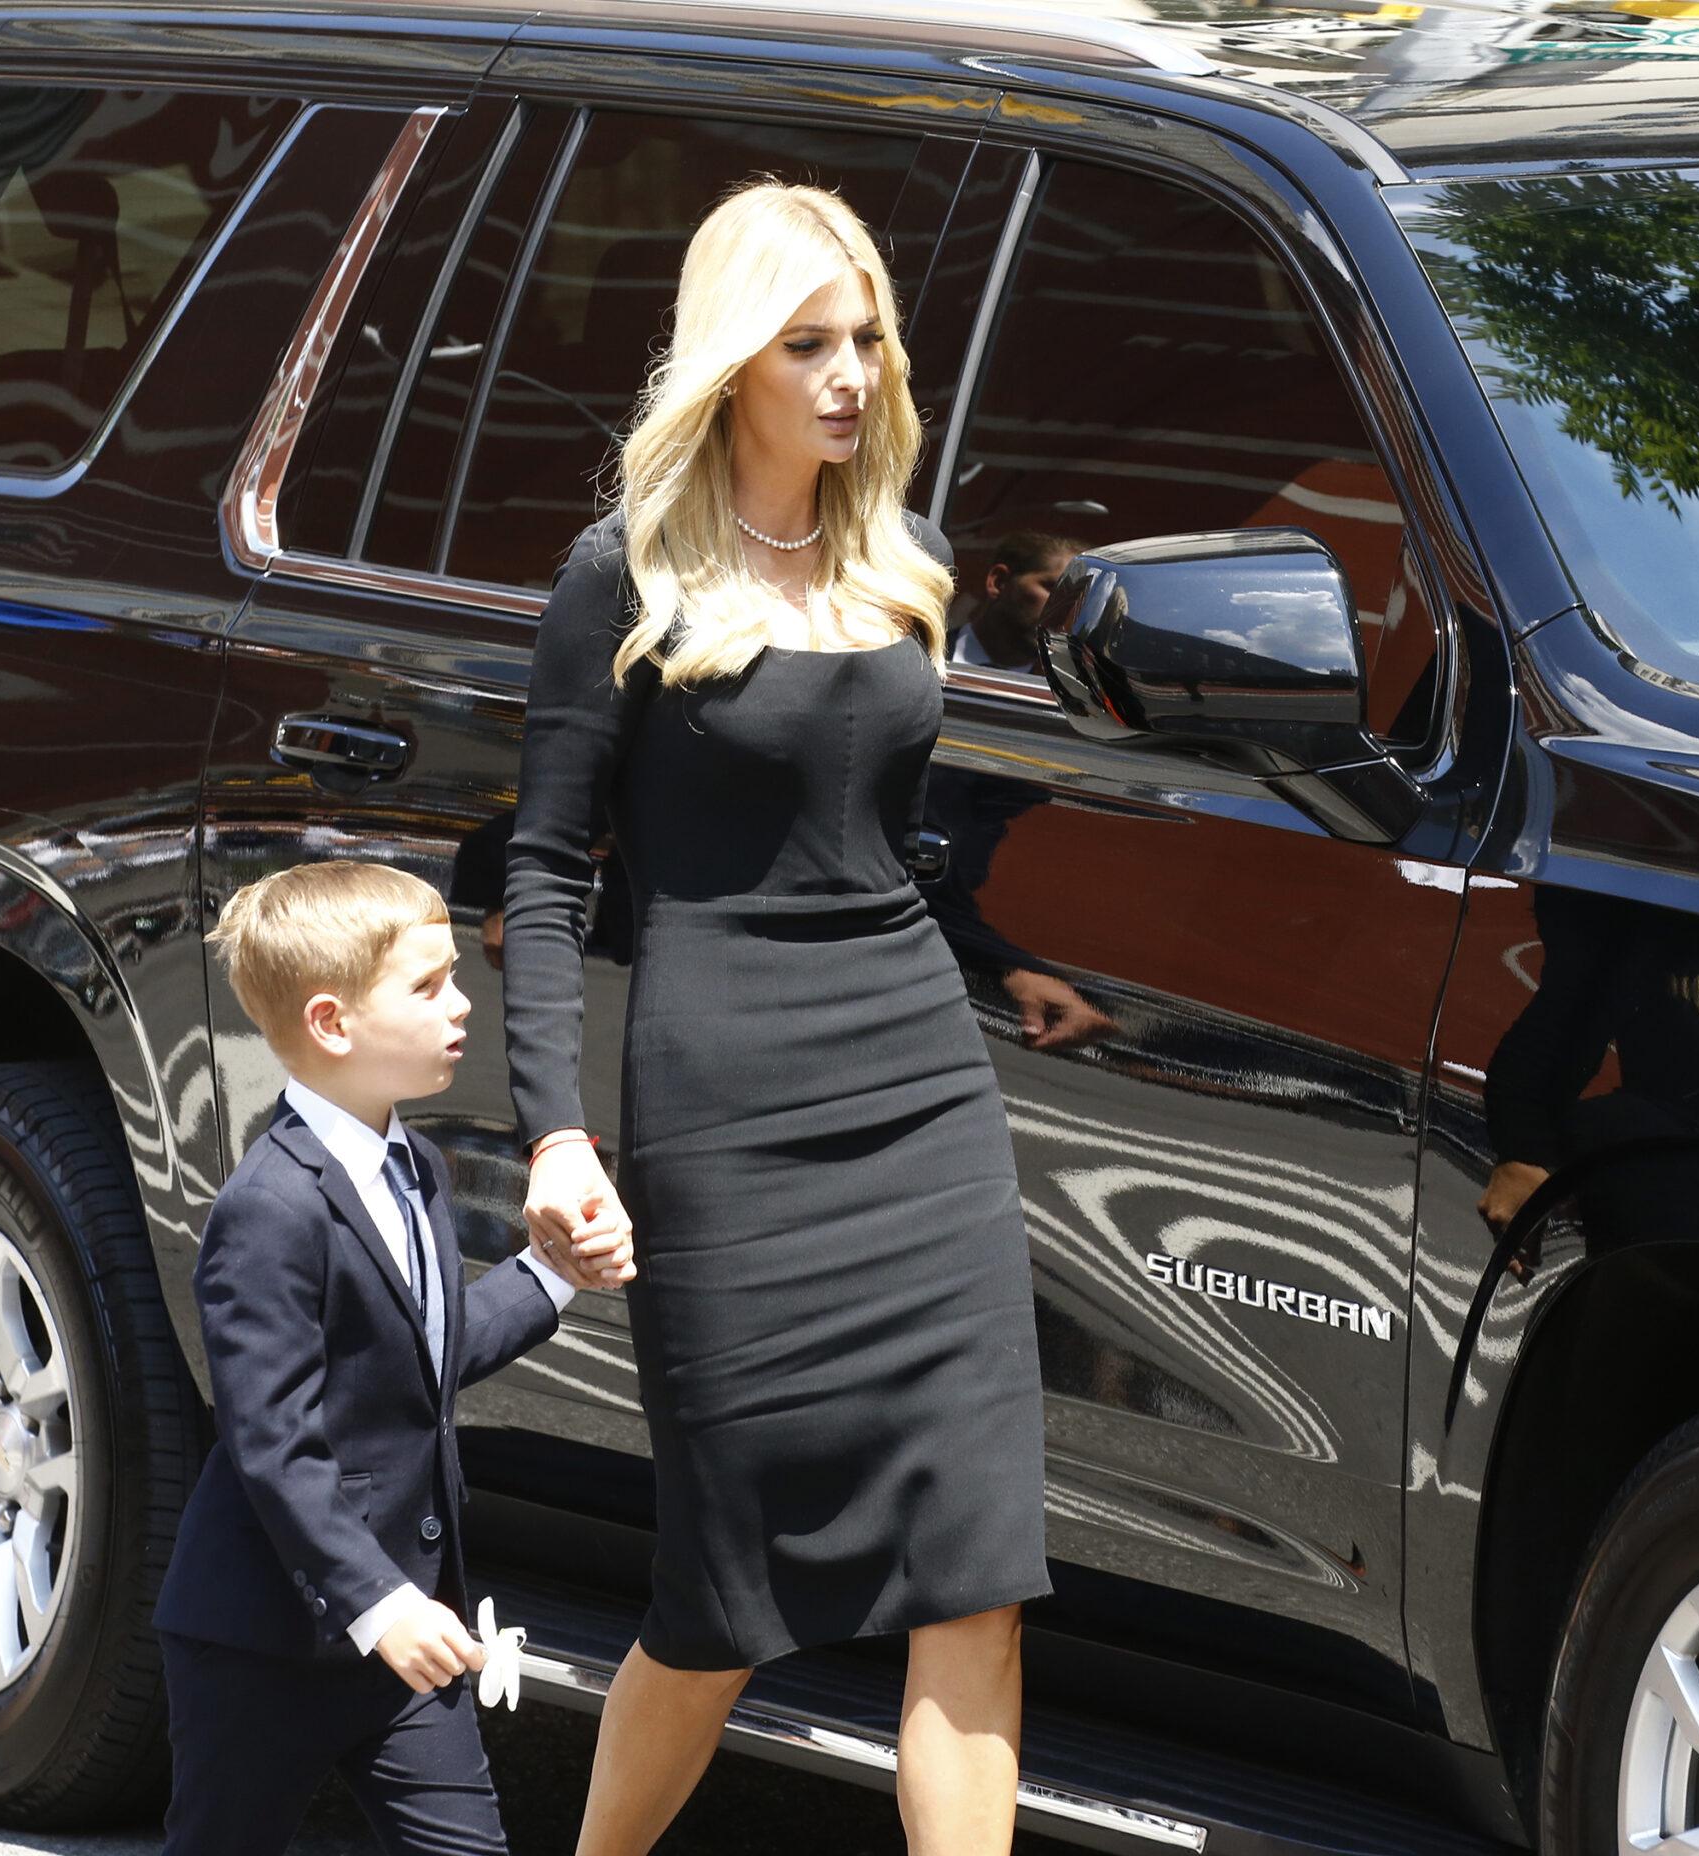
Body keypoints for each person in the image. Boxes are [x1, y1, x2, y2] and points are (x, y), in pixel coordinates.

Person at [505, 181, 1052, 1856]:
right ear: (730, 362)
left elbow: (870, 824)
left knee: (975, 1576)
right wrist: (555, 1128)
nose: (848, 372)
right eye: (806, 341)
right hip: (723, 1094)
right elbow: (540, 873)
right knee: (727, 1588)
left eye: (867, 336)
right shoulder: (627, 576)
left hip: (919, 1093)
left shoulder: (910, 560)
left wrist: (994, 950)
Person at [154, 860, 630, 1856]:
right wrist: (374, 1600)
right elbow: (272, 1443)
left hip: (405, 1626)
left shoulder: (410, 1161)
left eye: (454, 975)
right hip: (266, 1638)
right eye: (427, 986)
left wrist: (551, 1272)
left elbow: (423, 1347)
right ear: (332, 1023)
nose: (462, 1003)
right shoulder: (269, 1208)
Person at [949, 529, 1084, 672]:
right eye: (1056, 590)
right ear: (998, 582)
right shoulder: (925, 657)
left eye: (1080, 599)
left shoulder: (1071, 691)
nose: (1069, 609)